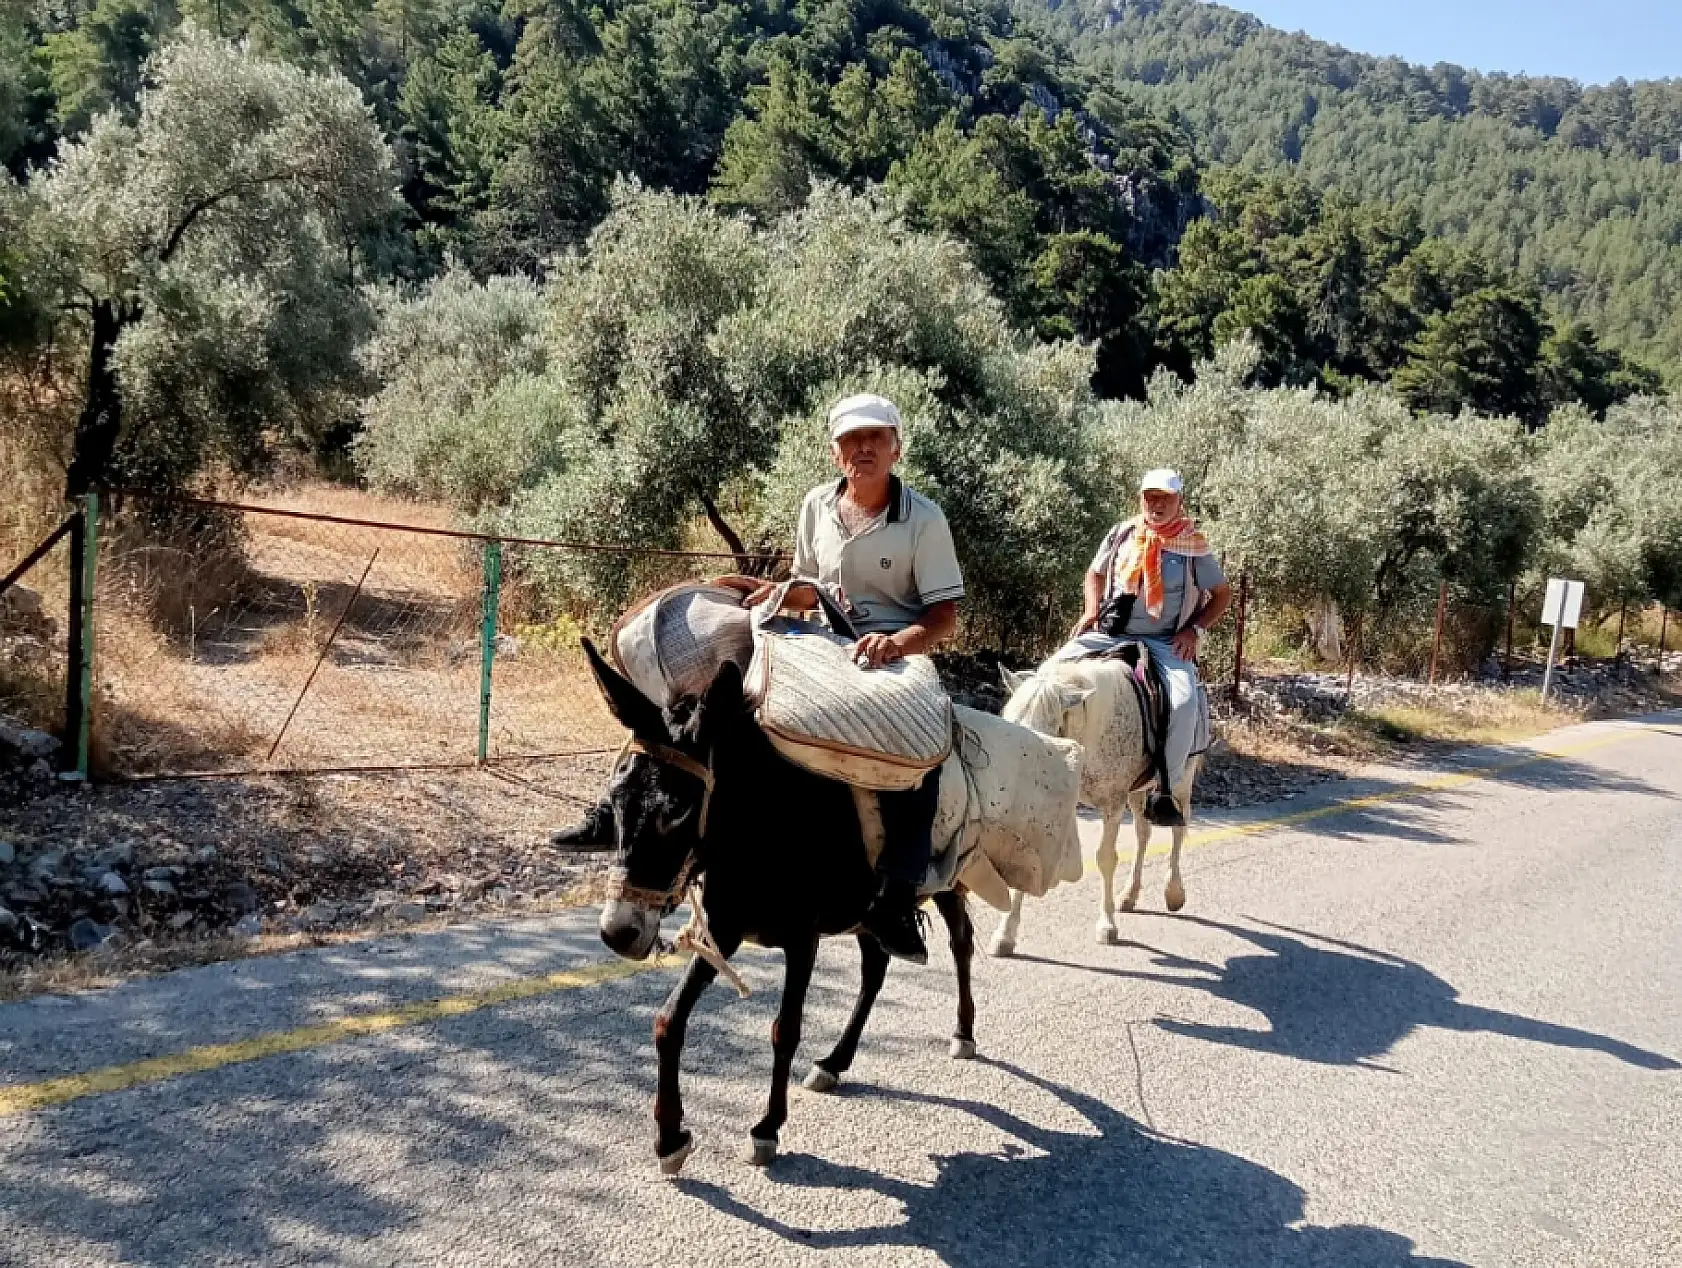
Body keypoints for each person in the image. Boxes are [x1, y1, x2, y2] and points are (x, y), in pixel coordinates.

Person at [746, 392, 963, 964]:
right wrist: (773, 595)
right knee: (743, 695)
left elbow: (943, 616)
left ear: (896, 447)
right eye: (850, 440)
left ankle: (896, 893)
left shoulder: (925, 517)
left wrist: (895, 643)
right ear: (834, 451)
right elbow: (805, 586)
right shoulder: (816, 505)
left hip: (897, 648)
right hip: (825, 640)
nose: (862, 448)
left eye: (874, 438)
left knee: (921, 744)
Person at [1052, 468, 1231, 824]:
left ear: (1180, 501)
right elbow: (1095, 573)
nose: (1157, 504)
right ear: (1141, 499)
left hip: (1165, 641)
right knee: (1050, 673)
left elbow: (1222, 595)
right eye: (1151, 497)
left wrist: (1194, 630)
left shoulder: (1193, 544)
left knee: (1182, 700)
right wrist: (1091, 609)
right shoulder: (1122, 534)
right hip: (1113, 633)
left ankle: (1166, 788)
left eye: (1165, 498)